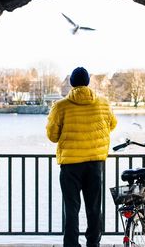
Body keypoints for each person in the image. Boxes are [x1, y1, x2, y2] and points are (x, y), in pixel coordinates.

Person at [46, 67, 117, 247]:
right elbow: (112, 124)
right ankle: (93, 244)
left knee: (71, 209)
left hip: (70, 165)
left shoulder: (60, 106)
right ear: (87, 82)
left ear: (71, 83)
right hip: (95, 163)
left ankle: (71, 245)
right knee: (94, 208)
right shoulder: (103, 103)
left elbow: (52, 136)